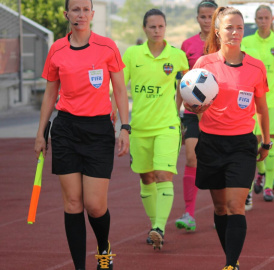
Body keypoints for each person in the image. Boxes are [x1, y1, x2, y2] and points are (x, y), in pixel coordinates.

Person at [34, 0, 130, 269]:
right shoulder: (57, 49)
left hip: (99, 129)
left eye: (85, 9)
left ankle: (103, 248)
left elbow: (120, 90)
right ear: (67, 14)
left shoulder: (107, 46)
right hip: (66, 129)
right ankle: (79, 266)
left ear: (92, 14)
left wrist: (124, 127)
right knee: (73, 202)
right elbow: (50, 94)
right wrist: (41, 133)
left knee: (95, 205)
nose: (81, 14)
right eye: (75, 9)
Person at [185, 7, 270, 269]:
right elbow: (191, 103)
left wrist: (265, 140)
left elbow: (262, 108)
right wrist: (194, 108)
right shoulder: (204, 64)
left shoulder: (256, 66)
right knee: (220, 208)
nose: (235, 32)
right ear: (218, 32)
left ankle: (231, 264)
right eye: (229, 27)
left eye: (239, 27)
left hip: (242, 144)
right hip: (210, 143)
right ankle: (231, 258)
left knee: (236, 206)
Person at [122, 8, 189, 250]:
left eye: (161, 26)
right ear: (144, 29)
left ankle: (159, 227)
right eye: (152, 27)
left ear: (165, 28)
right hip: (140, 128)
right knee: (146, 176)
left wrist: (179, 111)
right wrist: (120, 121)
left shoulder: (177, 56)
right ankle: (154, 227)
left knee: (163, 175)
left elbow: (187, 85)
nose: (157, 30)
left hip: (167, 126)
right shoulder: (131, 54)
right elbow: (119, 86)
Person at [242, 5, 274, 202]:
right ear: (255, 20)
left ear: (272, 19)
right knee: (253, 141)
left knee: (270, 140)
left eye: (266, 18)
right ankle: (262, 171)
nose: (263, 21)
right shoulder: (246, 42)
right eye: (259, 18)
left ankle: (269, 186)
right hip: (252, 100)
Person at [174, 0, 218, 232]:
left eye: (211, 16)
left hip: (219, 114)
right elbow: (182, 81)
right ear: (197, 18)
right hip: (192, 113)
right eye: (203, 16)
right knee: (192, 158)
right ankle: (189, 213)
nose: (207, 21)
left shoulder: (225, 44)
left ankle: (220, 209)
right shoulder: (187, 45)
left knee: (216, 162)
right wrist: (176, 111)